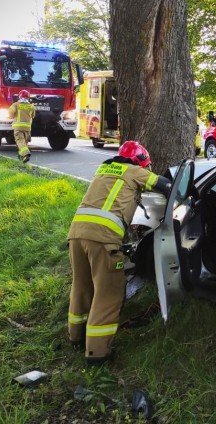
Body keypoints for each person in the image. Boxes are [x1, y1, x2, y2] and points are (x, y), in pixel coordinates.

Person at [66, 140, 171, 366]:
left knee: (81, 287)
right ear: (140, 162)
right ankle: (97, 354)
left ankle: (75, 337)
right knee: (108, 294)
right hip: (103, 240)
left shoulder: (103, 169)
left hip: (76, 235)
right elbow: (165, 185)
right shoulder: (135, 171)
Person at [10, 90, 35, 163]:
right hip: (27, 128)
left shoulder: (16, 105)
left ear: (19, 97)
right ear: (28, 97)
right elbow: (33, 116)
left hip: (18, 128)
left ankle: (26, 154)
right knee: (24, 143)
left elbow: (10, 114)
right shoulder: (31, 106)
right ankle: (21, 156)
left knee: (20, 141)